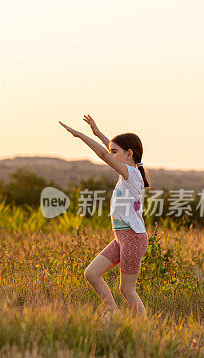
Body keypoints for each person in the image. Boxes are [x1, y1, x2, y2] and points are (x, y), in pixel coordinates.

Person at [58, 114, 151, 321]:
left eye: (115, 152)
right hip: (121, 238)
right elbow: (109, 150)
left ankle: (145, 332)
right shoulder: (128, 172)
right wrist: (98, 132)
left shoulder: (132, 174)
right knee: (91, 273)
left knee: (127, 290)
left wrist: (80, 135)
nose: (111, 155)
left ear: (129, 154)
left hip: (133, 238)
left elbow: (103, 154)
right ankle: (114, 314)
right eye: (111, 151)